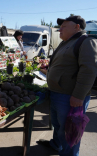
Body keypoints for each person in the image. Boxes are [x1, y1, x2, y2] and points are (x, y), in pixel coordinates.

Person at [38, 15, 97, 156]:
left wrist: (78, 96)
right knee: (58, 126)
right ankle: (56, 144)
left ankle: (69, 153)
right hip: (57, 93)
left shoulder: (86, 42)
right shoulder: (66, 43)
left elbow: (89, 70)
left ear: (77, 27)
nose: (60, 29)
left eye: (64, 26)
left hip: (70, 97)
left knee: (69, 131)